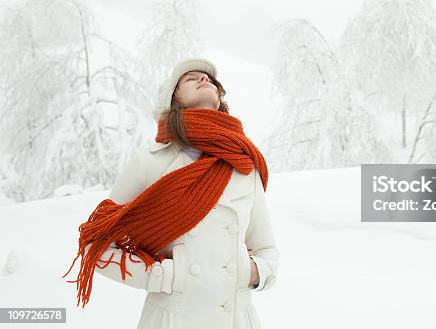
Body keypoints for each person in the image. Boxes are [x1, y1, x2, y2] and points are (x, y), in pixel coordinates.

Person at [62, 58, 280, 329]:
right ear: (173, 98)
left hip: (237, 319)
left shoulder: (245, 166)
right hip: (171, 319)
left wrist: (249, 271)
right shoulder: (148, 162)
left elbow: (267, 249)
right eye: (191, 78)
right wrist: (163, 277)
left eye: (210, 80)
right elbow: (95, 246)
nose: (205, 80)